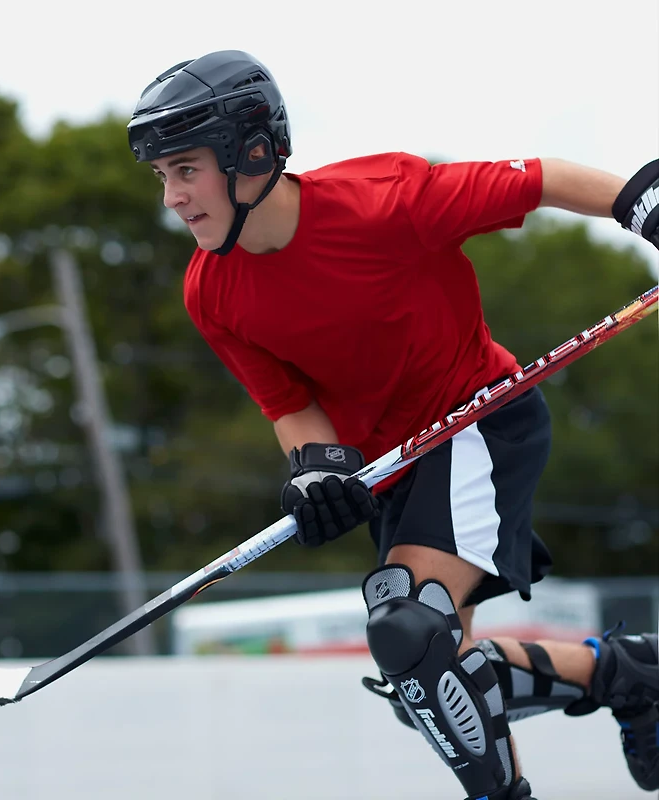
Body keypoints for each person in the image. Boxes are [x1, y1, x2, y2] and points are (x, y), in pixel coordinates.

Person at [127, 50, 659, 799]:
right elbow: (287, 405)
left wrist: (646, 206)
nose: (173, 198)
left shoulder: (386, 201)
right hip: (396, 469)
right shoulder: (211, 292)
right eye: (163, 177)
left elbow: (541, 179)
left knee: (408, 632)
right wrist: (315, 467)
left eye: (185, 170)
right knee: (433, 691)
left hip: (479, 420)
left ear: (250, 152)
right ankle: (631, 676)